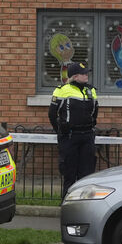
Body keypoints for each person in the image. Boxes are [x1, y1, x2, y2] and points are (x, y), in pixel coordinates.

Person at [49, 62, 98, 196]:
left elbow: (95, 113)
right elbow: (52, 114)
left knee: (87, 174)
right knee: (69, 173)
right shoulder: (62, 90)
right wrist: (60, 131)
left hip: (87, 136)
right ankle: (67, 202)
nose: (87, 75)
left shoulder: (91, 90)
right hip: (70, 137)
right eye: (84, 73)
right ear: (75, 76)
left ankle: (85, 205)